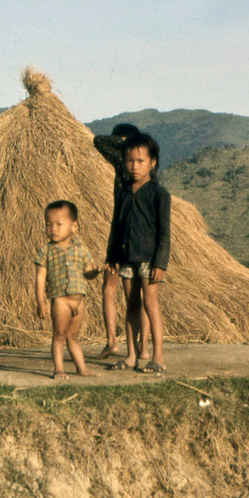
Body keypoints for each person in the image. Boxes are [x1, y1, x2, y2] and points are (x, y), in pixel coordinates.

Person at [105, 132, 170, 374]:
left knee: (150, 304)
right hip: (125, 257)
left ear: (152, 162)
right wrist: (111, 258)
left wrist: (160, 263)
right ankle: (131, 356)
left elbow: (164, 232)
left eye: (140, 161)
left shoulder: (158, 194)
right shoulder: (123, 193)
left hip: (149, 258)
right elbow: (116, 226)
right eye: (130, 160)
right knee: (131, 306)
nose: (134, 166)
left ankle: (158, 358)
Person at [92, 123, 149, 359]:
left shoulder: (125, 165)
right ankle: (130, 346)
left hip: (127, 234)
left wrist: (125, 143)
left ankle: (125, 345)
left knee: (127, 293)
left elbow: (99, 141)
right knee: (116, 289)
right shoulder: (143, 168)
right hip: (126, 233)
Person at [34, 200, 103, 380]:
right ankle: (59, 369)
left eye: (59, 224)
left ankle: (82, 368)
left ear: (74, 226)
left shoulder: (81, 249)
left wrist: (95, 271)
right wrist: (41, 302)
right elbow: (40, 278)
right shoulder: (45, 251)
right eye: (48, 225)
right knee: (59, 336)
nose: (53, 229)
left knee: (73, 337)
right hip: (61, 300)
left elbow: (87, 272)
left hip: (79, 301)